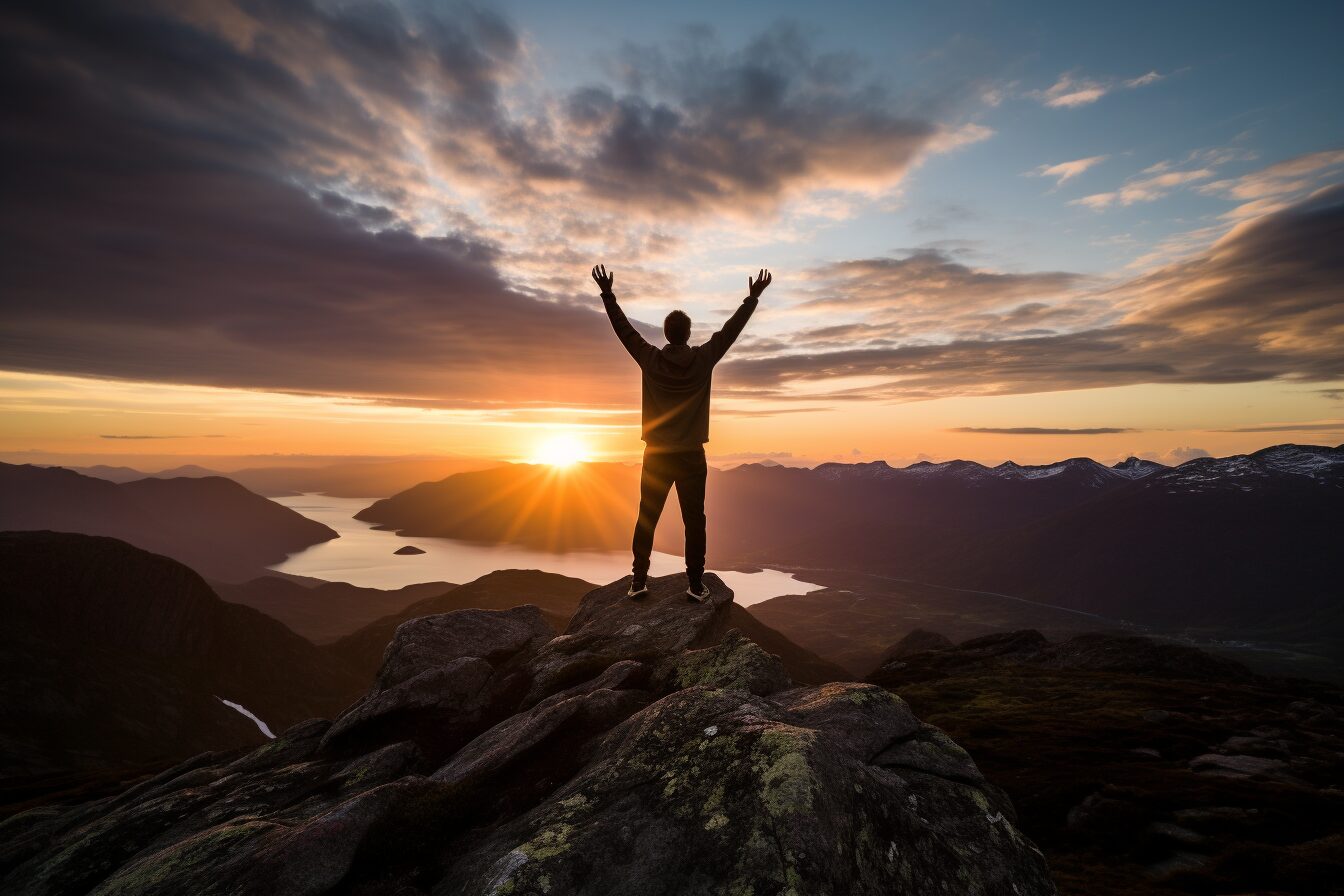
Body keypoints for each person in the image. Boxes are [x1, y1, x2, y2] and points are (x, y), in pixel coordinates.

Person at [592, 263, 771, 601]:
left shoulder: (650, 359)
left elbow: (624, 330)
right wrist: (751, 299)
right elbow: (729, 332)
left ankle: (638, 582)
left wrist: (607, 294)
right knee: (694, 521)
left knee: (647, 517)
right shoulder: (703, 360)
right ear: (688, 334)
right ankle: (694, 585)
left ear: (666, 333)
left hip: (656, 454)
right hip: (690, 455)